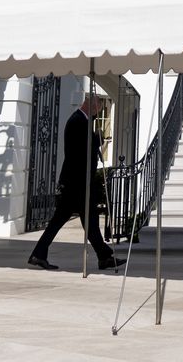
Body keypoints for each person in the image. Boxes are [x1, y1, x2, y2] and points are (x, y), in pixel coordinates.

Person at [27, 92, 124, 271]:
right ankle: (103, 257)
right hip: (76, 183)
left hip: (79, 182)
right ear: (92, 106)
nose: (97, 113)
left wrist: (95, 138)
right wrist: (97, 139)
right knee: (79, 221)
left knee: (89, 221)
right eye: (98, 109)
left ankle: (103, 257)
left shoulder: (82, 121)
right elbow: (80, 152)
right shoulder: (78, 121)